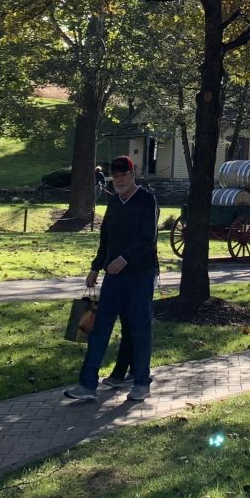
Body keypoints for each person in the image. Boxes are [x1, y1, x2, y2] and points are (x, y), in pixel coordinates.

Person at [64, 155, 158, 403]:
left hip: (140, 277)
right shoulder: (114, 202)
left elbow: (147, 240)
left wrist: (124, 259)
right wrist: (96, 268)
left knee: (139, 330)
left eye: (123, 175)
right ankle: (87, 385)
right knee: (99, 328)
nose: (119, 180)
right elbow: (105, 238)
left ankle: (141, 382)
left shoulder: (147, 201)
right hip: (113, 279)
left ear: (132, 173)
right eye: (115, 176)